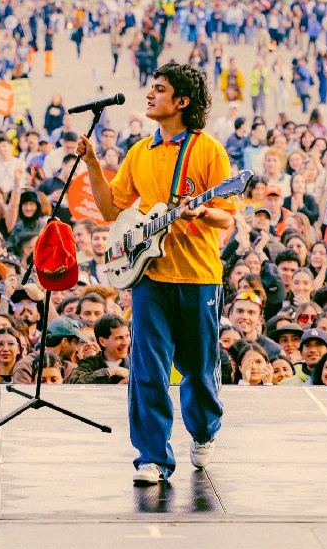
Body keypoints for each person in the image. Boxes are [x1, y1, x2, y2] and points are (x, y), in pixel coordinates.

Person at [77, 60, 235, 485]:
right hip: (149, 278)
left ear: (182, 101)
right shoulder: (139, 152)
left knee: (199, 368)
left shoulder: (208, 151)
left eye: (159, 89)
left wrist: (202, 210)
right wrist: (93, 163)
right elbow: (112, 209)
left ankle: (204, 429)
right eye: (151, 87)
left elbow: (227, 217)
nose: (150, 95)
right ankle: (152, 457)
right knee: (148, 368)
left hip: (199, 276)